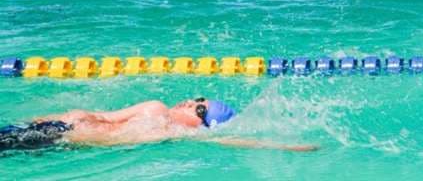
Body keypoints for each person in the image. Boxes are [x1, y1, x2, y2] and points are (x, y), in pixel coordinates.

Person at [0, 98, 317, 152]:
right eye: (196, 99)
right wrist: (39, 121)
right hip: (57, 131)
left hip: (59, 144)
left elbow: (230, 142)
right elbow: (102, 114)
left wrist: (284, 146)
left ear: (202, 121)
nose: (191, 102)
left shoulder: (178, 134)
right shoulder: (156, 108)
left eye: (200, 106)